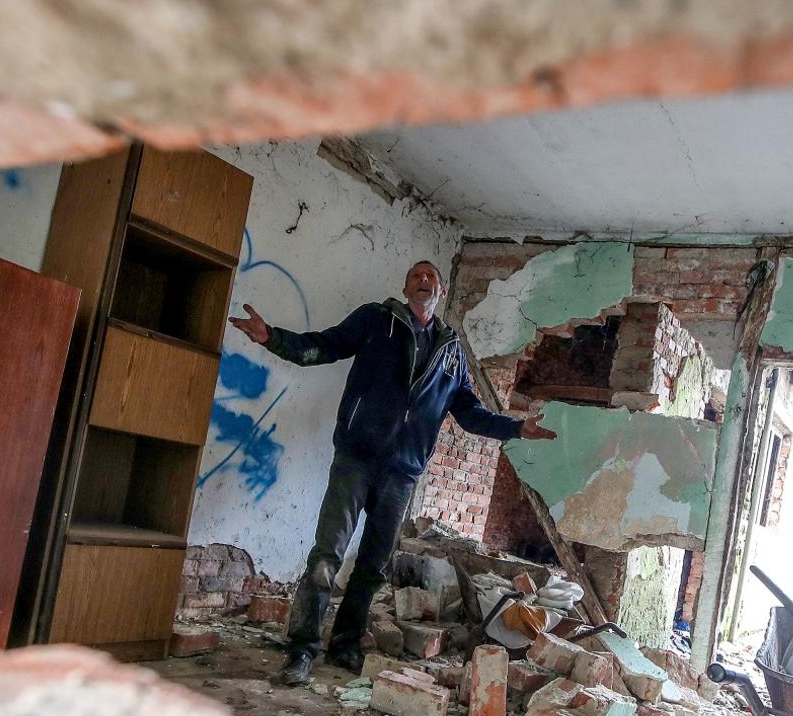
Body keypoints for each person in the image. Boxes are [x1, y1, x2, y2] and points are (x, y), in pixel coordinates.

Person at [228, 259, 558, 686]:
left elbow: (471, 414)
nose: (423, 280)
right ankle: (301, 650)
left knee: (373, 566)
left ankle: (344, 644)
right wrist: (272, 338)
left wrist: (517, 428)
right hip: (356, 457)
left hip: (402, 472)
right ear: (405, 288)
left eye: (431, 277)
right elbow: (324, 346)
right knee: (327, 556)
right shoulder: (375, 320)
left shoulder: (451, 351)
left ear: (441, 291)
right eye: (416, 276)